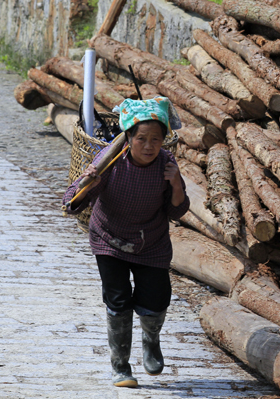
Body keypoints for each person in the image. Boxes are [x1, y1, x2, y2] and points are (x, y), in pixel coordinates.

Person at [63, 97, 189, 388]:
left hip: (152, 242)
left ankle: (151, 340)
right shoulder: (109, 161)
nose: (148, 146)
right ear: (128, 137)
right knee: (118, 300)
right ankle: (120, 366)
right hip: (109, 239)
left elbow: (176, 211)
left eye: (155, 140)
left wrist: (177, 184)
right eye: (141, 138)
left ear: (164, 141)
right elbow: (70, 203)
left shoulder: (167, 164)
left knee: (156, 298)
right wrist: (88, 182)